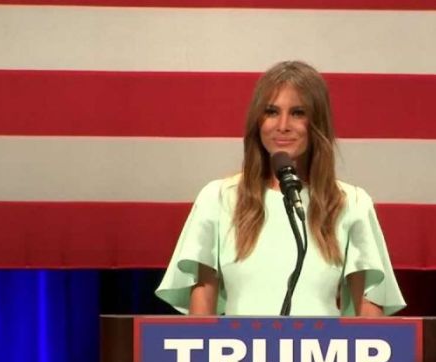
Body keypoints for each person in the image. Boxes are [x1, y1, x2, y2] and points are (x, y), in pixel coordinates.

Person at [155, 60, 405, 317]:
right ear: (257, 121)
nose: (282, 125)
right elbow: (202, 305)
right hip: (236, 354)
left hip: (322, 354)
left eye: (298, 113)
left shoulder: (350, 202)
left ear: (317, 123)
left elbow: (370, 313)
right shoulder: (218, 198)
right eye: (272, 112)